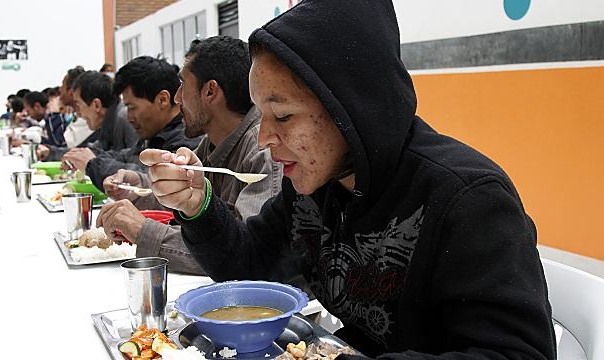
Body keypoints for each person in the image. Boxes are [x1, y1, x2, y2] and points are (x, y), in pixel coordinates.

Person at [140, 0, 556, 359]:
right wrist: (198, 207)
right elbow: (250, 268)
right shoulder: (314, 185)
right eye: (260, 115)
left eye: (283, 115)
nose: (265, 139)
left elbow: (516, 353)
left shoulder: (467, 201)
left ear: (352, 108)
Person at [97, 36, 282, 274]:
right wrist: (138, 186)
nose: (176, 98)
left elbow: (241, 255)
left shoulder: (264, 152)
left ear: (210, 91)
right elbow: (182, 196)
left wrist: (142, 231)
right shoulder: (210, 144)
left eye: (182, 85)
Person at [78, 56, 201, 191]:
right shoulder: (155, 133)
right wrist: (89, 156)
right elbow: (127, 156)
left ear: (162, 100)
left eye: (132, 107)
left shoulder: (187, 141)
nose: (129, 117)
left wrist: (94, 164)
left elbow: (152, 178)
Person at [59, 71, 137, 164]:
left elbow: (138, 166)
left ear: (96, 105)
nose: (78, 114)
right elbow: (92, 152)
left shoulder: (126, 119)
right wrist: (51, 152)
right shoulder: (108, 123)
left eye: (78, 105)